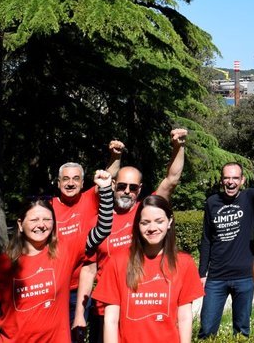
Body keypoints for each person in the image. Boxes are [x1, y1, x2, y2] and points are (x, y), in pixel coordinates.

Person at [78, 128, 188, 343]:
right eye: (121, 186)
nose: (127, 191)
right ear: (113, 187)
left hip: (141, 305)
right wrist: (79, 314)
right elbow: (89, 268)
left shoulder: (145, 214)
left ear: (139, 189)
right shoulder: (99, 220)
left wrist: (179, 147)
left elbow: (171, 180)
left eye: (132, 187)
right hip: (105, 309)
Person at [0, 169, 114, 343]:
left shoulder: (65, 250)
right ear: (20, 224)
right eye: (34, 220)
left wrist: (104, 190)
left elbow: (102, 229)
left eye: (47, 220)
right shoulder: (2, 264)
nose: (41, 225)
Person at [92, 195, 204, 343]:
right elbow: (111, 319)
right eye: (145, 222)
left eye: (159, 221)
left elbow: (184, 318)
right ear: (137, 225)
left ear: (169, 222)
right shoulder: (118, 262)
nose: (152, 228)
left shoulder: (184, 263)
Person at [198, 164, 254, 339]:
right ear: (222, 180)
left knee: (242, 332)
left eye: (235, 178)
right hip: (216, 277)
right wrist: (202, 273)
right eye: (227, 178)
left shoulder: (249, 198)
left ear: (242, 180)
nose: (231, 182)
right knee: (206, 331)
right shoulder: (212, 202)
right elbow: (206, 239)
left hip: (244, 276)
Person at [53, 140, 125, 339]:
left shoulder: (88, 199)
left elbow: (105, 177)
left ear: (83, 183)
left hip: (80, 289)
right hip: (54, 288)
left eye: (76, 179)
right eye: (65, 179)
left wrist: (115, 156)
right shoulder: (48, 209)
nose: (70, 183)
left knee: (76, 335)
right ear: (58, 182)